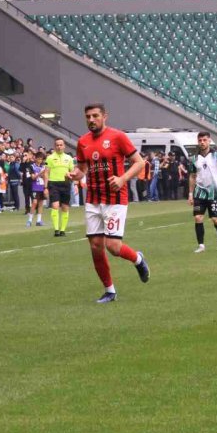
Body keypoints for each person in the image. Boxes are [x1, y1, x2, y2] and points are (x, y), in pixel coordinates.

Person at [68, 104, 149, 303]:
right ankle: (110, 291)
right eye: (88, 116)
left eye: (95, 115)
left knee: (113, 246)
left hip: (115, 198)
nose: (91, 119)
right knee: (96, 246)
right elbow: (82, 169)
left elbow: (139, 162)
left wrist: (122, 179)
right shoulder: (82, 141)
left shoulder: (118, 136)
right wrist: (75, 175)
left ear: (105, 116)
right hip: (93, 199)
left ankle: (138, 259)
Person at [188, 131, 217, 253]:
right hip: (199, 192)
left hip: (214, 193)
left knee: (216, 220)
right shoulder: (194, 158)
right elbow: (192, 176)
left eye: (204, 140)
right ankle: (201, 245)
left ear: (209, 141)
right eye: (200, 140)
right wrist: (190, 194)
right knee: (198, 217)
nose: (202, 142)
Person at [45, 138, 75, 237]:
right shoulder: (50, 158)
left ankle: (62, 230)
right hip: (53, 184)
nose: (59, 147)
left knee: (65, 207)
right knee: (55, 206)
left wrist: (74, 183)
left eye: (61, 145)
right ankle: (56, 229)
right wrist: (45, 187)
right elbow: (46, 173)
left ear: (64, 146)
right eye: (57, 145)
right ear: (54, 146)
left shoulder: (69, 158)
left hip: (66, 184)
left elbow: (73, 172)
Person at [26, 152, 47, 227]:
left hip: (41, 186)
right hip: (34, 186)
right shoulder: (32, 166)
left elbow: (45, 177)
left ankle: (39, 220)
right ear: (35, 158)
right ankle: (29, 220)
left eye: (41, 159)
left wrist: (46, 187)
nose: (40, 161)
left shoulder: (43, 167)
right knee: (34, 202)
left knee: (41, 203)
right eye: (38, 159)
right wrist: (40, 173)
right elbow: (33, 177)